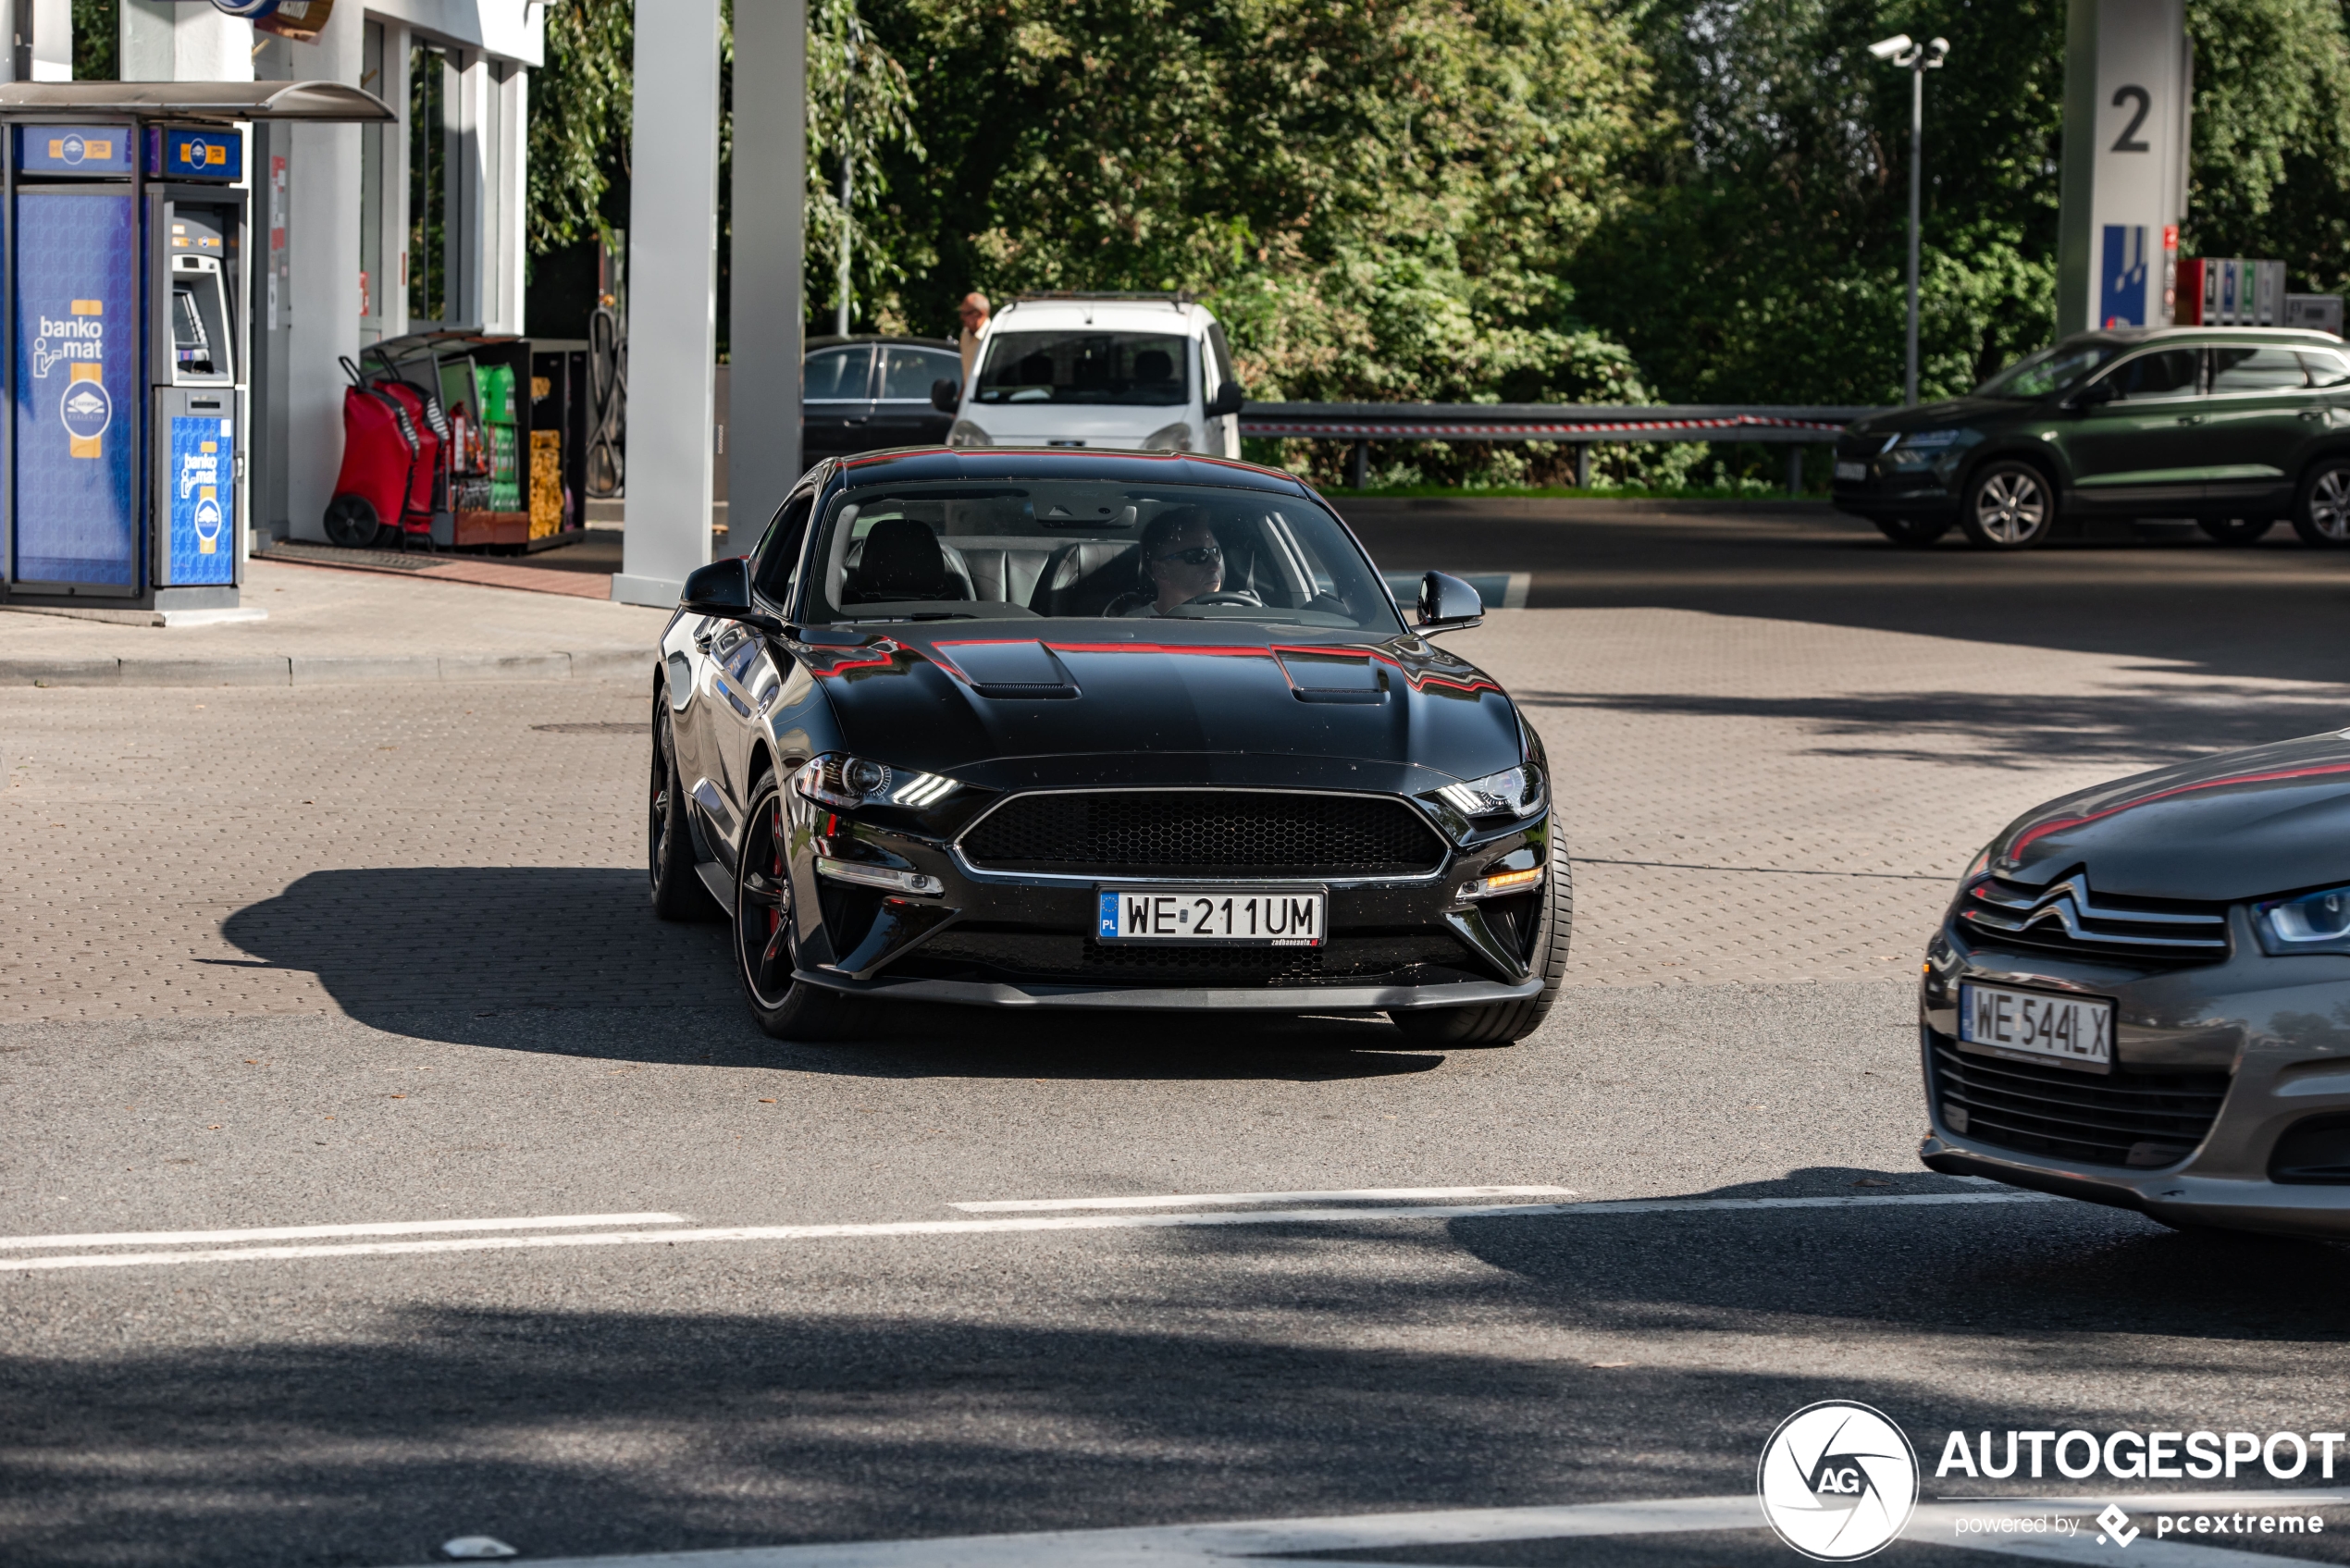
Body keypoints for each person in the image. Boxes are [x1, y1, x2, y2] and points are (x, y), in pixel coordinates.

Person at [1108, 506, 1259, 616]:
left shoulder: (1240, 617)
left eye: (1215, 552)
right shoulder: (1131, 629)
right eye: (1197, 555)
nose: (1215, 566)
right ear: (1161, 570)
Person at [957, 292, 990, 385]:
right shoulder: (965, 334)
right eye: (961, 312)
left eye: (966, 313)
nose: (961, 317)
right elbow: (966, 370)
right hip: (968, 395)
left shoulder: (991, 337)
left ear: (980, 314)